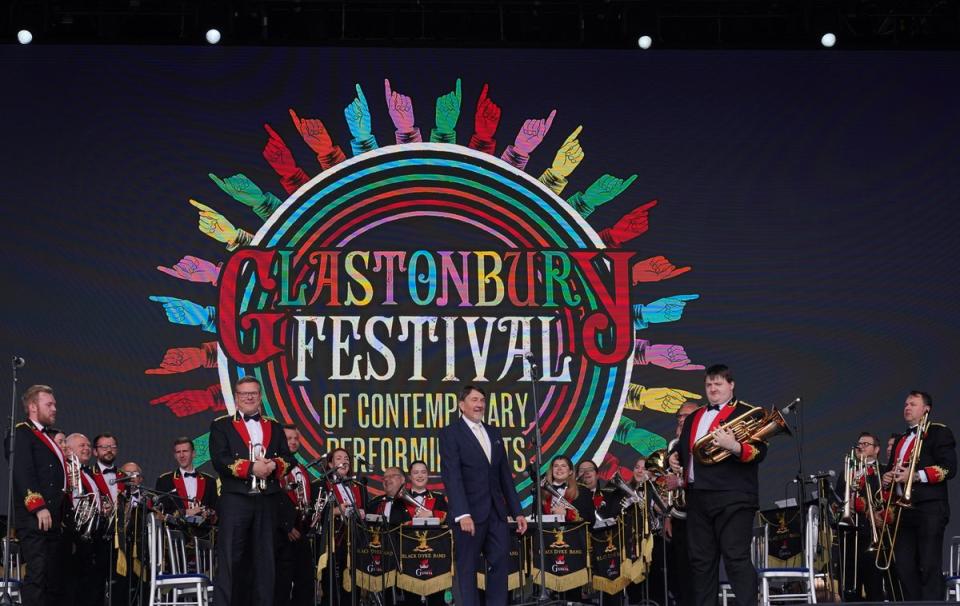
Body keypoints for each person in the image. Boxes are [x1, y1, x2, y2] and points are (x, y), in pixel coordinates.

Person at [669, 364, 766, 606]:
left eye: (718, 383)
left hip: (733, 497)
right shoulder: (694, 416)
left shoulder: (749, 413)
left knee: (735, 558)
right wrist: (674, 457)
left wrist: (733, 446)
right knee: (701, 563)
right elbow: (685, 452)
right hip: (698, 498)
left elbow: (760, 451)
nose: (713, 388)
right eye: (709, 384)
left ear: (731, 385)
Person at [208, 376, 295, 605]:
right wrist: (252, 468)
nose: (249, 397)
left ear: (260, 397)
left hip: (267, 499)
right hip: (236, 499)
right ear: (236, 398)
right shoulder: (221, 425)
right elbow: (220, 459)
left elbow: (288, 458)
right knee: (230, 560)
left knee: (265, 560)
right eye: (244, 394)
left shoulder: (274, 426)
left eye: (253, 393)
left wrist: (273, 465)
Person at [439, 384, 527, 606]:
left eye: (482, 401)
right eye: (474, 400)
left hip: (496, 514)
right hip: (469, 515)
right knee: (467, 568)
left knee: (500, 565)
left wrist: (517, 512)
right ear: (462, 405)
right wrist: (462, 513)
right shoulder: (451, 433)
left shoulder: (493, 432)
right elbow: (453, 476)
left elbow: (504, 475)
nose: (479, 405)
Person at [881, 390, 956, 601]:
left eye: (913, 404)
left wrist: (916, 476)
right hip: (904, 512)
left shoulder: (939, 432)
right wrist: (888, 478)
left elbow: (949, 468)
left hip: (930, 508)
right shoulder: (900, 440)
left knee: (929, 564)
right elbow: (893, 470)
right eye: (905, 404)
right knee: (904, 565)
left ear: (926, 409)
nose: (907, 407)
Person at [10, 384, 67, 606]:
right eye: (49, 404)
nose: (54, 409)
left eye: (55, 404)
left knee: (52, 580)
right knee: (38, 576)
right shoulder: (21, 433)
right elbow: (23, 472)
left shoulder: (44, 436)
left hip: (52, 518)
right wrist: (38, 506)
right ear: (33, 407)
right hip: (36, 518)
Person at [836, 432, 886, 601]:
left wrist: (859, 504)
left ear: (877, 449)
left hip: (869, 533)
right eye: (859, 444)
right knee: (849, 585)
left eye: (866, 444)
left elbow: (881, 501)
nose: (861, 447)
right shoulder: (846, 472)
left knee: (873, 585)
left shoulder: (883, 471)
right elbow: (837, 498)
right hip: (848, 534)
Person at [274, 424, 317, 606]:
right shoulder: (273, 466)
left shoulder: (301, 469)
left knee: (306, 581)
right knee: (281, 584)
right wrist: (287, 526)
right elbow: (272, 498)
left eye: (295, 438)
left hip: (301, 532)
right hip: (281, 534)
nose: (292, 442)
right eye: (288, 438)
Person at [155, 437, 218, 520]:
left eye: (185, 451)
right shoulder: (164, 481)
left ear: (193, 454)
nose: (181, 455)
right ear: (175, 456)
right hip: (175, 531)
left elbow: (217, 511)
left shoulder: (209, 481)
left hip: (203, 531)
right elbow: (159, 512)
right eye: (178, 452)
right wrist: (185, 512)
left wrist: (209, 514)